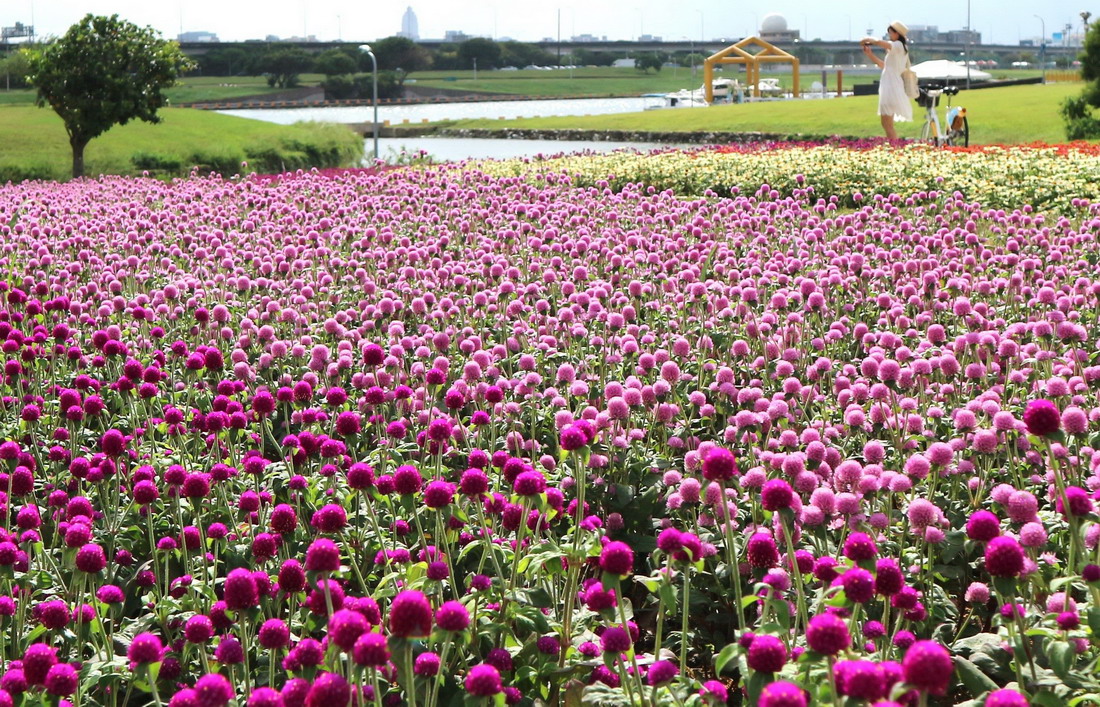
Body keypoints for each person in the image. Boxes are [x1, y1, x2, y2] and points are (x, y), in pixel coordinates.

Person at [861, 21, 913, 140]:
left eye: (890, 33)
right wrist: (870, 55)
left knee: (887, 124)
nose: (889, 35)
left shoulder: (898, 45)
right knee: (887, 124)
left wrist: (867, 39)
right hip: (890, 85)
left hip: (891, 87)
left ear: (897, 33)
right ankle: (895, 147)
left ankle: (895, 148)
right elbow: (884, 66)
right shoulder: (897, 48)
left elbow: (880, 43)